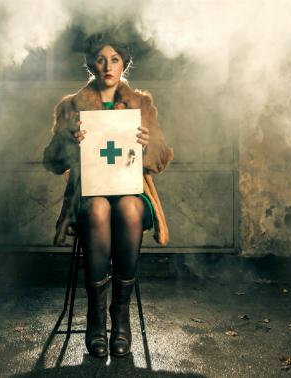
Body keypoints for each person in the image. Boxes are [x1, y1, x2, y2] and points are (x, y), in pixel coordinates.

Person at [42, 32, 173, 358]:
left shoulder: (142, 105)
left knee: (128, 209)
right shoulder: (71, 107)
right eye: (101, 59)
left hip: (133, 193)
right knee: (99, 209)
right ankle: (96, 319)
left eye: (114, 59)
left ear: (124, 63)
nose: (108, 66)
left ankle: (121, 315)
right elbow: (52, 161)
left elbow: (159, 162)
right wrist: (69, 141)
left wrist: (148, 144)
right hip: (89, 195)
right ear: (91, 64)